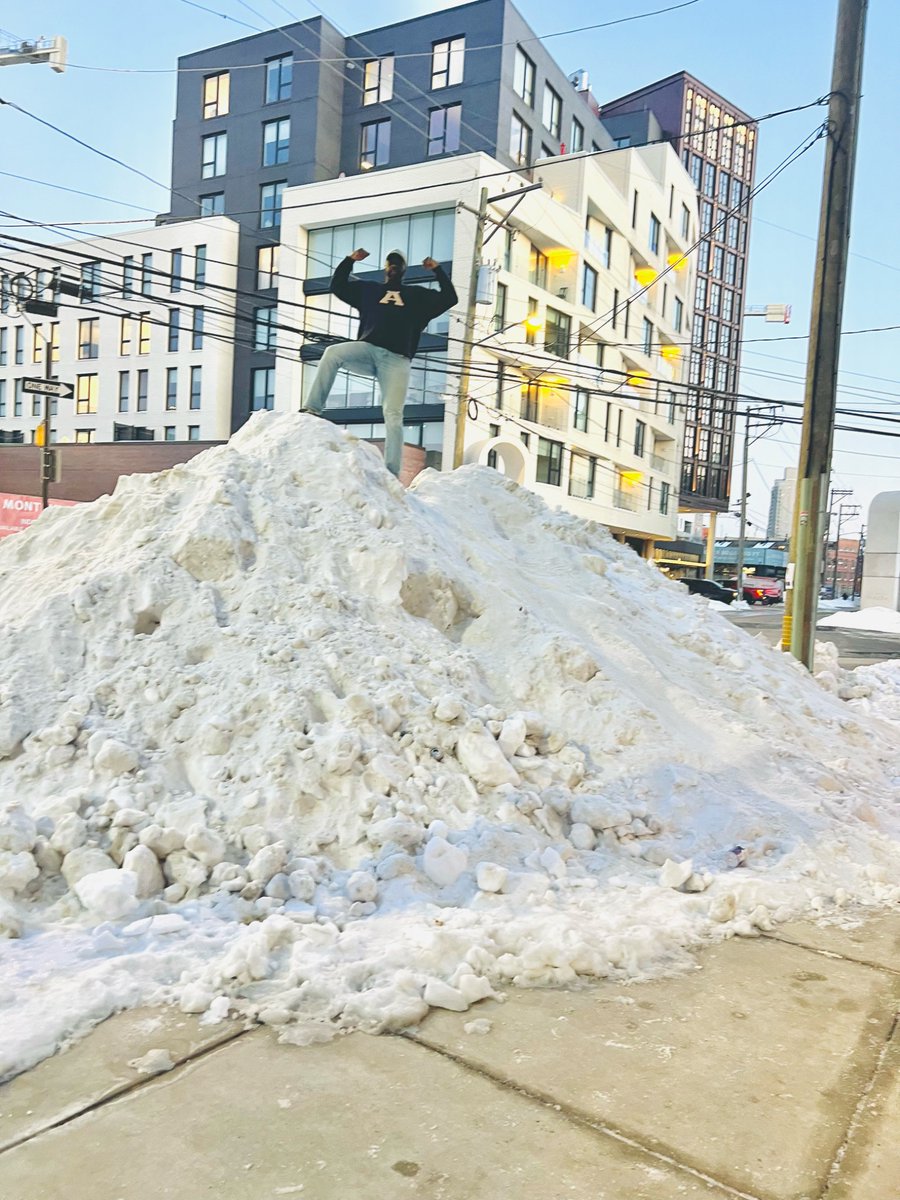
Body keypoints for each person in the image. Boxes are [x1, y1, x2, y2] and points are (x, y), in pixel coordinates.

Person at [302, 248, 457, 477]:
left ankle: (391, 474)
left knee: (393, 414)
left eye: (398, 264)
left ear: (403, 271)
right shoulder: (369, 290)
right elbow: (338, 286)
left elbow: (449, 298)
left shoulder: (417, 296)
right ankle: (312, 409)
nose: (393, 267)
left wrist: (437, 270)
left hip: (397, 360)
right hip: (368, 350)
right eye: (390, 263)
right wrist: (349, 260)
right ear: (386, 269)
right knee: (333, 353)